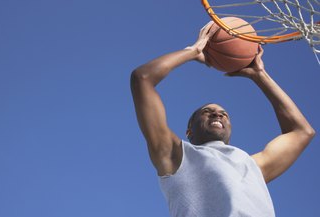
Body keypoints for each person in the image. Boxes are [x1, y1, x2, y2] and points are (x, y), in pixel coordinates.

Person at [130, 22, 315, 217]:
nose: (218, 114)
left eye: (223, 113)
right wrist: (193, 51)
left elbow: (303, 132)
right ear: (189, 131)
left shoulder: (252, 165)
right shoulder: (175, 155)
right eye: (207, 111)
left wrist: (260, 75)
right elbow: (142, 78)